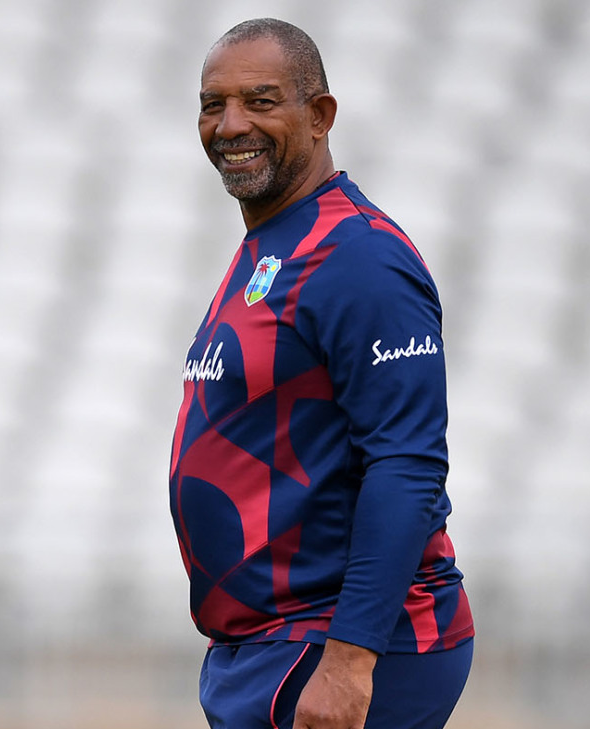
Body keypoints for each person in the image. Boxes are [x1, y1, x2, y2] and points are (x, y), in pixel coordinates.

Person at [168, 18, 474, 729]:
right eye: (214, 105)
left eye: (260, 101)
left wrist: (350, 661)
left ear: (320, 115)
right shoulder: (272, 245)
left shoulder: (359, 256)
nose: (231, 124)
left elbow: (407, 463)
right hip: (271, 645)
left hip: (338, 645)